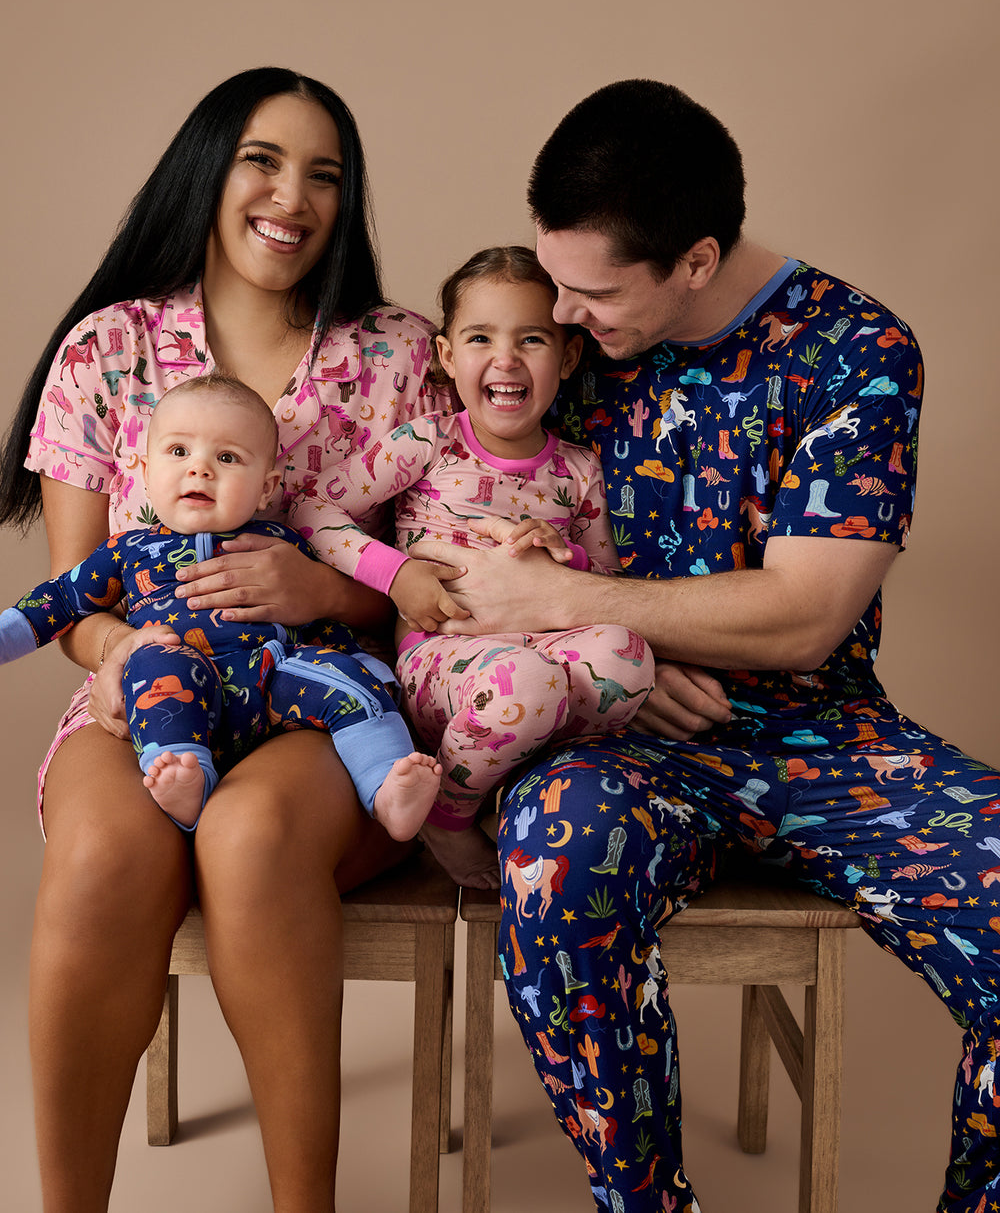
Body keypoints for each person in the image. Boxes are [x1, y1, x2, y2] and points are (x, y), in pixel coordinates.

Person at [418, 81, 1000, 1213]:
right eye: (555, 283)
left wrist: (573, 600)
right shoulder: (562, 335)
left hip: (823, 737)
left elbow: (802, 614)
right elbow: (455, 505)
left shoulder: (855, 350)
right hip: (609, 731)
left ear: (694, 258)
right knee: (557, 855)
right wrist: (600, 647)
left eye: (592, 293)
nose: (564, 316)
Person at [0, 67, 448, 1210]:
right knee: (105, 851)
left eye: (325, 173)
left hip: (326, 704)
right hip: (147, 692)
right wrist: (118, 659)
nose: (290, 194)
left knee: (248, 835)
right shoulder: (109, 349)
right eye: (262, 158)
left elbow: (441, 585)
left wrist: (322, 590)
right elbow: (74, 599)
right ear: (209, 167)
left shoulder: (400, 355)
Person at [290, 246, 655, 887]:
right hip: (443, 659)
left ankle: (510, 777)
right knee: (530, 683)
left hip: (539, 651)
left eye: (533, 338)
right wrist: (396, 574)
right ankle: (449, 816)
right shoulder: (428, 442)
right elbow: (313, 511)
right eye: (481, 337)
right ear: (447, 356)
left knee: (627, 658)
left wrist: (559, 559)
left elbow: (606, 586)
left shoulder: (579, 469)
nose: (506, 358)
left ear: (568, 356)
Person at [0, 373, 441, 836]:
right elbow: (60, 599)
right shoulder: (127, 550)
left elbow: (324, 619)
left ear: (267, 487)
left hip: (274, 682)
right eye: (178, 452)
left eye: (227, 458)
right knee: (151, 663)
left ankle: (386, 787)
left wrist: (346, 657)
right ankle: (182, 774)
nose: (200, 469)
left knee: (348, 677)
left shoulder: (285, 545)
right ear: (146, 471)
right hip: (184, 683)